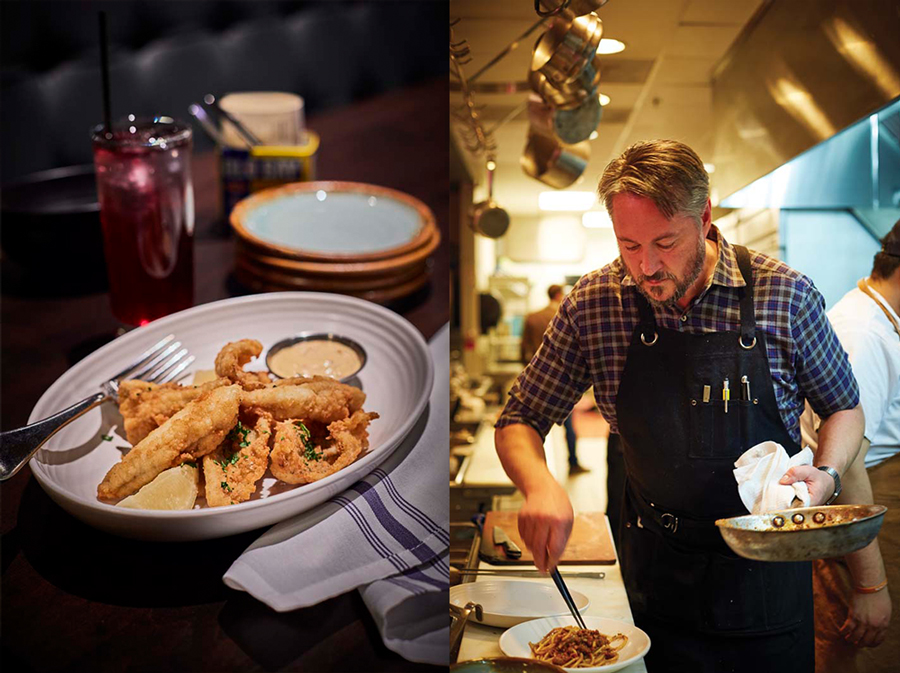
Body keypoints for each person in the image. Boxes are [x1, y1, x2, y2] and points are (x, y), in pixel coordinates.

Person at [494, 139, 865, 672]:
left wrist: (826, 473)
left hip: (766, 577)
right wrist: (540, 484)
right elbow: (520, 418)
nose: (646, 266)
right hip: (654, 579)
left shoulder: (784, 296)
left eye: (665, 243)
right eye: (629, 245)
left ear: (706, 217)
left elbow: (845, 408)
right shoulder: (596, 304)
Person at [800, 221, 900, 673]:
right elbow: (846, 461)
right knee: (860, 657)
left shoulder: (880, 322)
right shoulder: (864, 332)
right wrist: (870, 584)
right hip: (864, 528)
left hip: (878, 521)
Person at [520, 284, 587, 474]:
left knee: (534, 427)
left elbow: (523, 348)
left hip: (537, 379)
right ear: (558, 295)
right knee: (569, 426)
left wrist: (527, 372)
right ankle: (573, 462)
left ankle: (535, 469)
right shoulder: (566, 316)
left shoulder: (532, 317)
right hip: (564, 380)